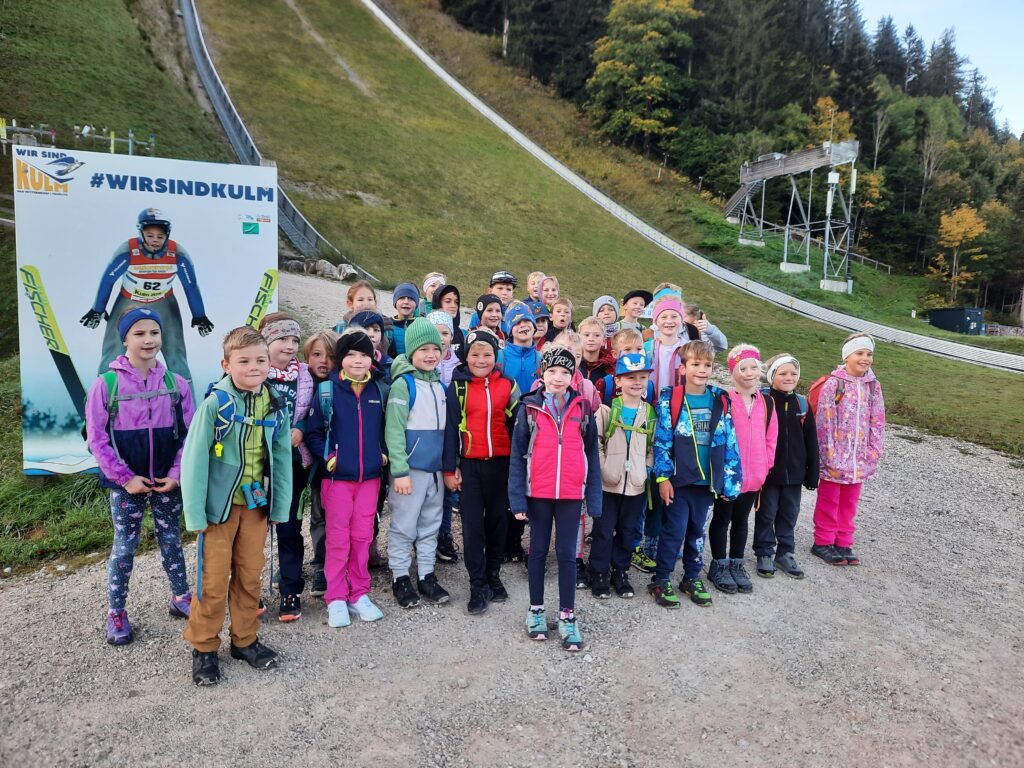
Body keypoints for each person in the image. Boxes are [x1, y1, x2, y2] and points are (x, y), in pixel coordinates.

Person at [182, 326, 292, 686]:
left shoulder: (275, 403)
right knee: (212, 580)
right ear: (226, 365)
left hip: (255, 507)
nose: (254, 367)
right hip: (218, 510)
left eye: (260, 360)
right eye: (244, 361)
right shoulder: (216, 404)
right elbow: (194, 461)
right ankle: (204, 646)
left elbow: (281, 458)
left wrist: (280, 507)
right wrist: (195, 513)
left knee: (249, 576)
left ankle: (245, 640)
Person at [85, 306, 195, 645]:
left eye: (154, 332)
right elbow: (96, 439)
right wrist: (124, 478)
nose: (149, 340)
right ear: (124, 339)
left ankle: (181, 597)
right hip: (126, 485)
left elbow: (190, 436)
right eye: (139, 333)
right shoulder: (106, 385)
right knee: (125, 547)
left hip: (167, 482)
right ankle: (116, 612)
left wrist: (176, 474)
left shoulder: (176, 384)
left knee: (171, 540)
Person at [509, 346, 601, 652]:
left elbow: (592, 455)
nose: (558, 378)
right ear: (542, 374)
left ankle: (567, 615)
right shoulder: (529, 409)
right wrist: (517, 500)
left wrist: (594, 498)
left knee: (566, 554)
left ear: (573, 376)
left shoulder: (582, 409)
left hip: (571, 494)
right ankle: (536, 609)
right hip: (538, 493)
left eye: (564, 372)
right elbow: (517, 457)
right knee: (537, 552)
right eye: (552, 371)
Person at [305, 330, 388, 628]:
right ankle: (336, 596)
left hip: (370, 478)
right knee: (338, 537)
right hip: (337, 479)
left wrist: (382, 454)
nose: (357, 360)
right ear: (341, 359)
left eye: (363, 355)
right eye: (351, 355)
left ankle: (359, 593)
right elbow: (314, 433)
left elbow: (385, 429)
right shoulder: (328, 390)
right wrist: (329, 458)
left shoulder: (378, 390)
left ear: (372, 358)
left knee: (363, 536)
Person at [650, 341, 741, 609]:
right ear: (683, 368)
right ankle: (661, 578)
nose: (702, 370)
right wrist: (663, 478)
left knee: (697, 532)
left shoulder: (720, 399)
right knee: (674, 531)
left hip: (707, 483)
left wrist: (730, 481)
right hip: (680, 481)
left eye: (708, 365)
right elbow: (662, 440)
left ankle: (691, 577)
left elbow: (730, 440)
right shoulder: (671, 399)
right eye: (696, 364)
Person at [80, 207, 214, 384]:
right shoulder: (127, 251)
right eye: (150, 236)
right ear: (141, 233)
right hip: (129, 301)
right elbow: (108, 280)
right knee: (113, 349)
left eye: (160, 237)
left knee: (175, 352)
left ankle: (185, 394)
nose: (155, 241)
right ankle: (102, 391)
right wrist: (98, 309)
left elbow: (190, 286)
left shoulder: (178, 254)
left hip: (163, 302)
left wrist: (199, 315)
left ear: (167, 235)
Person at [443, 329, 520, 614]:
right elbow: (450, 430)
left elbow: (519, 426)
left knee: (498, 523)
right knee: (473, 527)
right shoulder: (458, 387)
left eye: (487, 354)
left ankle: (493, 575)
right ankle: (477, 584)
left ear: (495, 357)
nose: (481, 360)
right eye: (475, 354)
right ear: (466, 356)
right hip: (471, 466)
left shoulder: (508, 385)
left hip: (501, 465)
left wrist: (519, 467)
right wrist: (449, 469)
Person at [385, 318, 451, 607]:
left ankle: (426, 575)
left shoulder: (440, 385)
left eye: (435, 349)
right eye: (423, 349)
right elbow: (394, 430)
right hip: (410, 472)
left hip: (435, 471)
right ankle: (400, 576)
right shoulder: (404, 384)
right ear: (411, 352)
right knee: (404, 525)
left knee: (430, 524)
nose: (431, 354)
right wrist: (399, 470)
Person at [706, 345, 777, 595]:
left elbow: (771, 438)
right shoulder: (724, 400)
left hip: (754, 476)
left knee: (741, 520)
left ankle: (736, 563)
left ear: (760, 370)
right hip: (729, 475)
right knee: (722, 519)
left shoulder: (767, 403)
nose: (749, 373)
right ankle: (718, 564)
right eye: (742, 368)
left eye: (753, 368)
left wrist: (765, 466)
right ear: (733, 372)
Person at [810, 333, 885, 566]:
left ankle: (843, 541)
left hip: (859, 459)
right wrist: (828, 453)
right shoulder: (835, 384)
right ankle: (823, 541)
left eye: (869, 354)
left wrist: (874, 450)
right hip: (834, 457)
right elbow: (824, 421)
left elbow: (878, 420)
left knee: (850, 502)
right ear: (846, 357)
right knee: (829, 500)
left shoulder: (873, 386)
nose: (865, 358)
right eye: (859, 353)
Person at [259, 313, 314, 621]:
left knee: (290, 527)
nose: (290, 346)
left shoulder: (304, 375)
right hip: (256, 466)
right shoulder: (254, 372)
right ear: (266, 341)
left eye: (295, 340)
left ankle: (290, 589)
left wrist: (301, 428)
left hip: (292, 465)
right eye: (282, 339)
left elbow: (313, 411)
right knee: (252, 531)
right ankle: (248, 591)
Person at [588, 352, 655, 600]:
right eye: (630, 377)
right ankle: (599, 572)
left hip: (636, 485)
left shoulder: (650, 414)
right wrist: (604, 468)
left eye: (642, 377)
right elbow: (596, 443)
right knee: (603, 530)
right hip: (609, 484)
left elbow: (652, 446)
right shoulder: (607, 411)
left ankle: (620, 571)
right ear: (618, 381)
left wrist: (644, 469)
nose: (637, 382)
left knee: (628, 531)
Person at [754, 353, 818, 579]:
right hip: (769, 474)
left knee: (789, 514)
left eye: (793, 373)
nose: (789, 377)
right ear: (771, 376)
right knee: (766, 513)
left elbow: (811, 440)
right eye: (782, 373)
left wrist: (812, 473)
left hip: (794, 474)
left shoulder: (802, 404)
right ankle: (764, 552)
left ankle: (785, 553)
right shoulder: (763, 401)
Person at [301, 330, 339, 598]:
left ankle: (324, 563)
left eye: (330, 356)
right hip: (300, 458)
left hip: (328, 462)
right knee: (297, 515)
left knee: (324, 513)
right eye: (317, 354)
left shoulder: (338, 386)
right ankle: (298, 561)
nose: (323, 361)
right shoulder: (299, 384)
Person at [427, 309, 461, 564]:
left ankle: (444, 535)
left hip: (452, 433)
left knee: (447, 490)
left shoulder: (459, 365)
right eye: (435, 333)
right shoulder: (422, 361)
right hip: (428, 432)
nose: (441, 338)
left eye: (445, 333)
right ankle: (424, 538)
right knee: (427, 491)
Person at [335, 280, 393, 359]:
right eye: (360, 300)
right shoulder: (342, 327)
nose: (366, 303)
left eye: (370, 299)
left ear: (375, 302)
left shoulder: (387, 327)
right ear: (350, 303)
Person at [500, 302, 541, 395]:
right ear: (510, 331)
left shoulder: (541, 358)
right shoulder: (499, 357)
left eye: (526, 320)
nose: (522, 325)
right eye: (516, 323)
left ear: (534, 327)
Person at [578, 316, 615, 384]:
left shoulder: (610, 367)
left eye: (597, 335)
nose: (591, 339)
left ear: (604, 341)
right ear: (578, 338)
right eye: (586, 335)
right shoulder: (573, 363)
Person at [388, 282, 421, 357]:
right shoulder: (387, 324)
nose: (406, 302)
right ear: (395, 302)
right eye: (402, 298)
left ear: (416, 304)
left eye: (411, 298)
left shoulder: (422, 324)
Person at [432, 283, 465, 357]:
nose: (453, 306)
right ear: (438, 303)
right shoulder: (429, 329)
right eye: (448, 301)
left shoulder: (460, 333)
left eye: (456, 302)